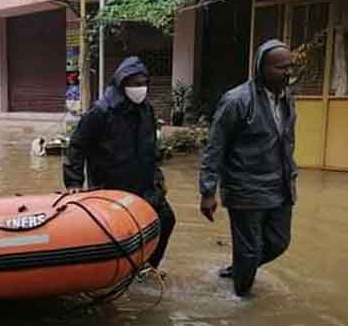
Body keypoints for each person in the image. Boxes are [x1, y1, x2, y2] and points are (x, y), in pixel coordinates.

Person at [200, 39, 297, 298]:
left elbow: (287, 141)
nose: (287, 72)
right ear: (260, 68)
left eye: (290, 66)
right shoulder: (237, 101)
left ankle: (240, 268)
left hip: (280, 185)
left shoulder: (287, 98)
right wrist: (208, 191)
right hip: (246, 188)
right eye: (280, 67)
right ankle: (241, 300)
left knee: (279, 243)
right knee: (250, 250)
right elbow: (215, 147)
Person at [63, 56, 176, 270]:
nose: (140, 88)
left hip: (144, 185)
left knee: (166, 220)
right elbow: (77, 146)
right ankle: (117, 271)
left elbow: (151, 150)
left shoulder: (146, 111)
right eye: (134, 84)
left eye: (143, 83)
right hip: (111, 187)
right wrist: (73, 182)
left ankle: (148, 267)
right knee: (117, 234)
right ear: (122, 83)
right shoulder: (101, 112)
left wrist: (158, 179)